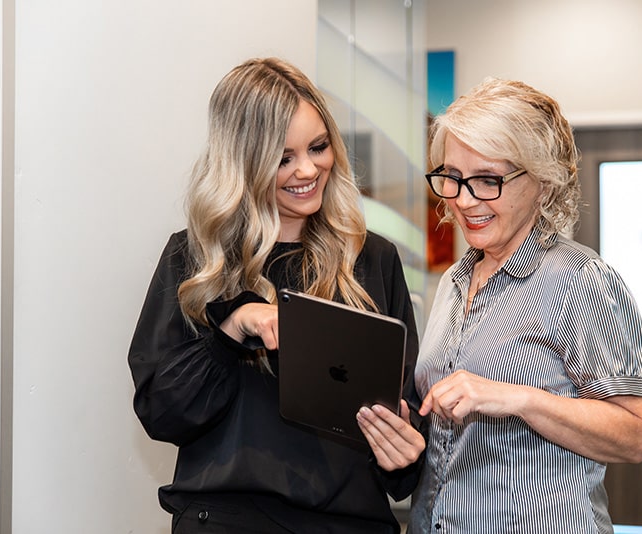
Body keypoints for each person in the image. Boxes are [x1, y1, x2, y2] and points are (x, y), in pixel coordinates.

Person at [128, 57, 426, 534]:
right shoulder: (196, 259)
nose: (307, 169)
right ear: (242, 162)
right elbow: (162, 414)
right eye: (282, 157)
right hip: (229, 522)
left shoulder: (372, 259)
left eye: (318, 146)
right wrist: (229, 331)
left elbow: (404, 445)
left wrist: (405, 451)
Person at [408, 78, 642, 533]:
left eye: (487, 180)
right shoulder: (452, 282)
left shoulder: (577, 279)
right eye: (452, 177)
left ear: (542, 183)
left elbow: (635, 436)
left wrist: (517, 398)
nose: (463, 200)